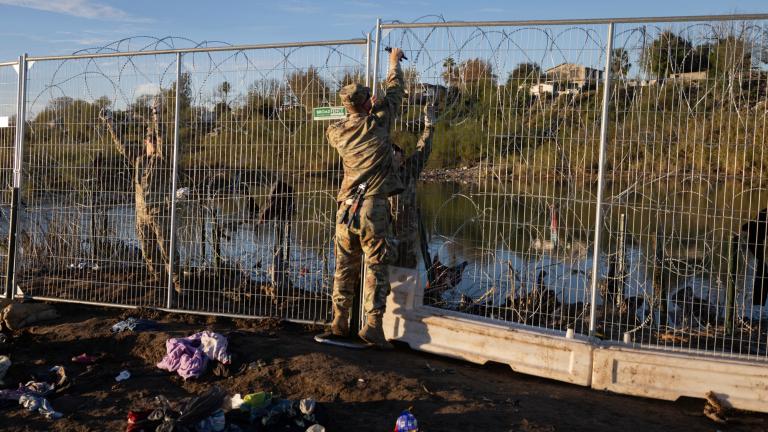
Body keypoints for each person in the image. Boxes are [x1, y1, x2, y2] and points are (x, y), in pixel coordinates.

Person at [326, 47, 406, 348]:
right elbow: (395, 92)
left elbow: (357, 117)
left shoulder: (335, 132)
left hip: (345, 208)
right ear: (367, 102)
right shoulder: (379, 123)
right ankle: (373, 325)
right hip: (373, 206)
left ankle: (340, 320)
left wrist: (368, 106)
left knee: (344, 265)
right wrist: (393, 63)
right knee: (375, 265)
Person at [99, 97, 182, 294]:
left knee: (168, 251)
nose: (152, 143)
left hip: (160, 212)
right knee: (149, 252)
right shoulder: (139, 160)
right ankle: (159, 283)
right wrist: (110, 123)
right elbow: (121, 145)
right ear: (145, 142)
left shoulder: (162, 160)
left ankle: (178, 286)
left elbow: (162, 138)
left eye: (155, 140)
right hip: (141, 214)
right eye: (150, 140)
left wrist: (156, 115)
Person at [390, 105, 435, 269]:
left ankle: (406, 294)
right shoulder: (378, 175)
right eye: (391, 152)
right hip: (382, 238)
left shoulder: (408, 170)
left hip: (406, 236)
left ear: (402, 157)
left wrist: (429, 126)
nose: (394, 155)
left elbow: (423, 149)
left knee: (406, 271)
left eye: (397, 152)